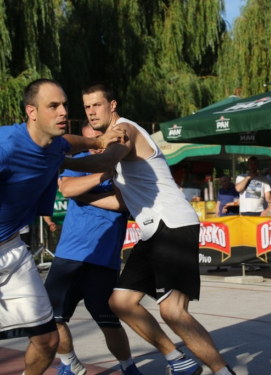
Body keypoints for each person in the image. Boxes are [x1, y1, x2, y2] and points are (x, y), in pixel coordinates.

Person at [63, 82, 235, 375]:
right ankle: (177, 359)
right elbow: (122, 202)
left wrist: (60, 161)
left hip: (173, 224)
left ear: (112, 105)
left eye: (97, 105)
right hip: (152, 230)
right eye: (87, 107)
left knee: (173, 311)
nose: (91, 112)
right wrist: (85, 196)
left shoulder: (125, 131)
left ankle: (222, 372)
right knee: (121, 302)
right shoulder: (111, 138)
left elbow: (105, 160)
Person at [0, 78, 125, 375]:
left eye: (65, 105)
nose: (63, 112)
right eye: (53, 106)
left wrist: (100, 142)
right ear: (31, 111)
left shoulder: (56, 144)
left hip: (12, 251)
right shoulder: (6, 147)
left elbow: (73, 142)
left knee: (47, 341)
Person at [44, 122, 141, 375]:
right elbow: (66, 188)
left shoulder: (124, 166)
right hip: (70, 255)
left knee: (108, 322)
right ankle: (69, 364)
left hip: (104, 258)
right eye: (91, 143)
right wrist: (102, 174)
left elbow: (122, 204)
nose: (97, 148)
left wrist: (86, 194)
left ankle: (129, 367)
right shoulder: (82, 161)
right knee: (52, 317)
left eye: (101, 140)